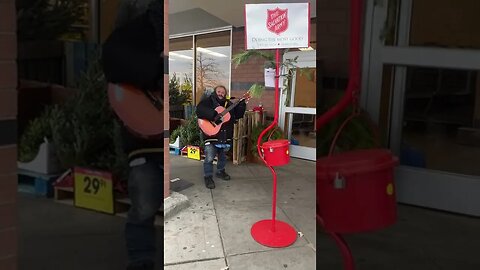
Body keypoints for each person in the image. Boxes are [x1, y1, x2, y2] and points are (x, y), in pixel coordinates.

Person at [101, 1, 163, 269]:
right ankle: (141, 260)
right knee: (145, 204)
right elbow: (115, 60)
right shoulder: (133, 33)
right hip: (144, 138)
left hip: (174, 140)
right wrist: (159, 70)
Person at [196, 86, 247, 189]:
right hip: (211, 135)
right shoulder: (208, 101)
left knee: (223, 157)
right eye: (219, 91)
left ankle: (220, 172)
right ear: (215, 92)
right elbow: (200, 110)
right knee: (209, 158)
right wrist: (214, 115)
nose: (221, 93)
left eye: (223, 92)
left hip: (225, 136)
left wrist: (242, 104)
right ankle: (208, 176)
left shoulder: (229, 104)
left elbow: (238, 115)